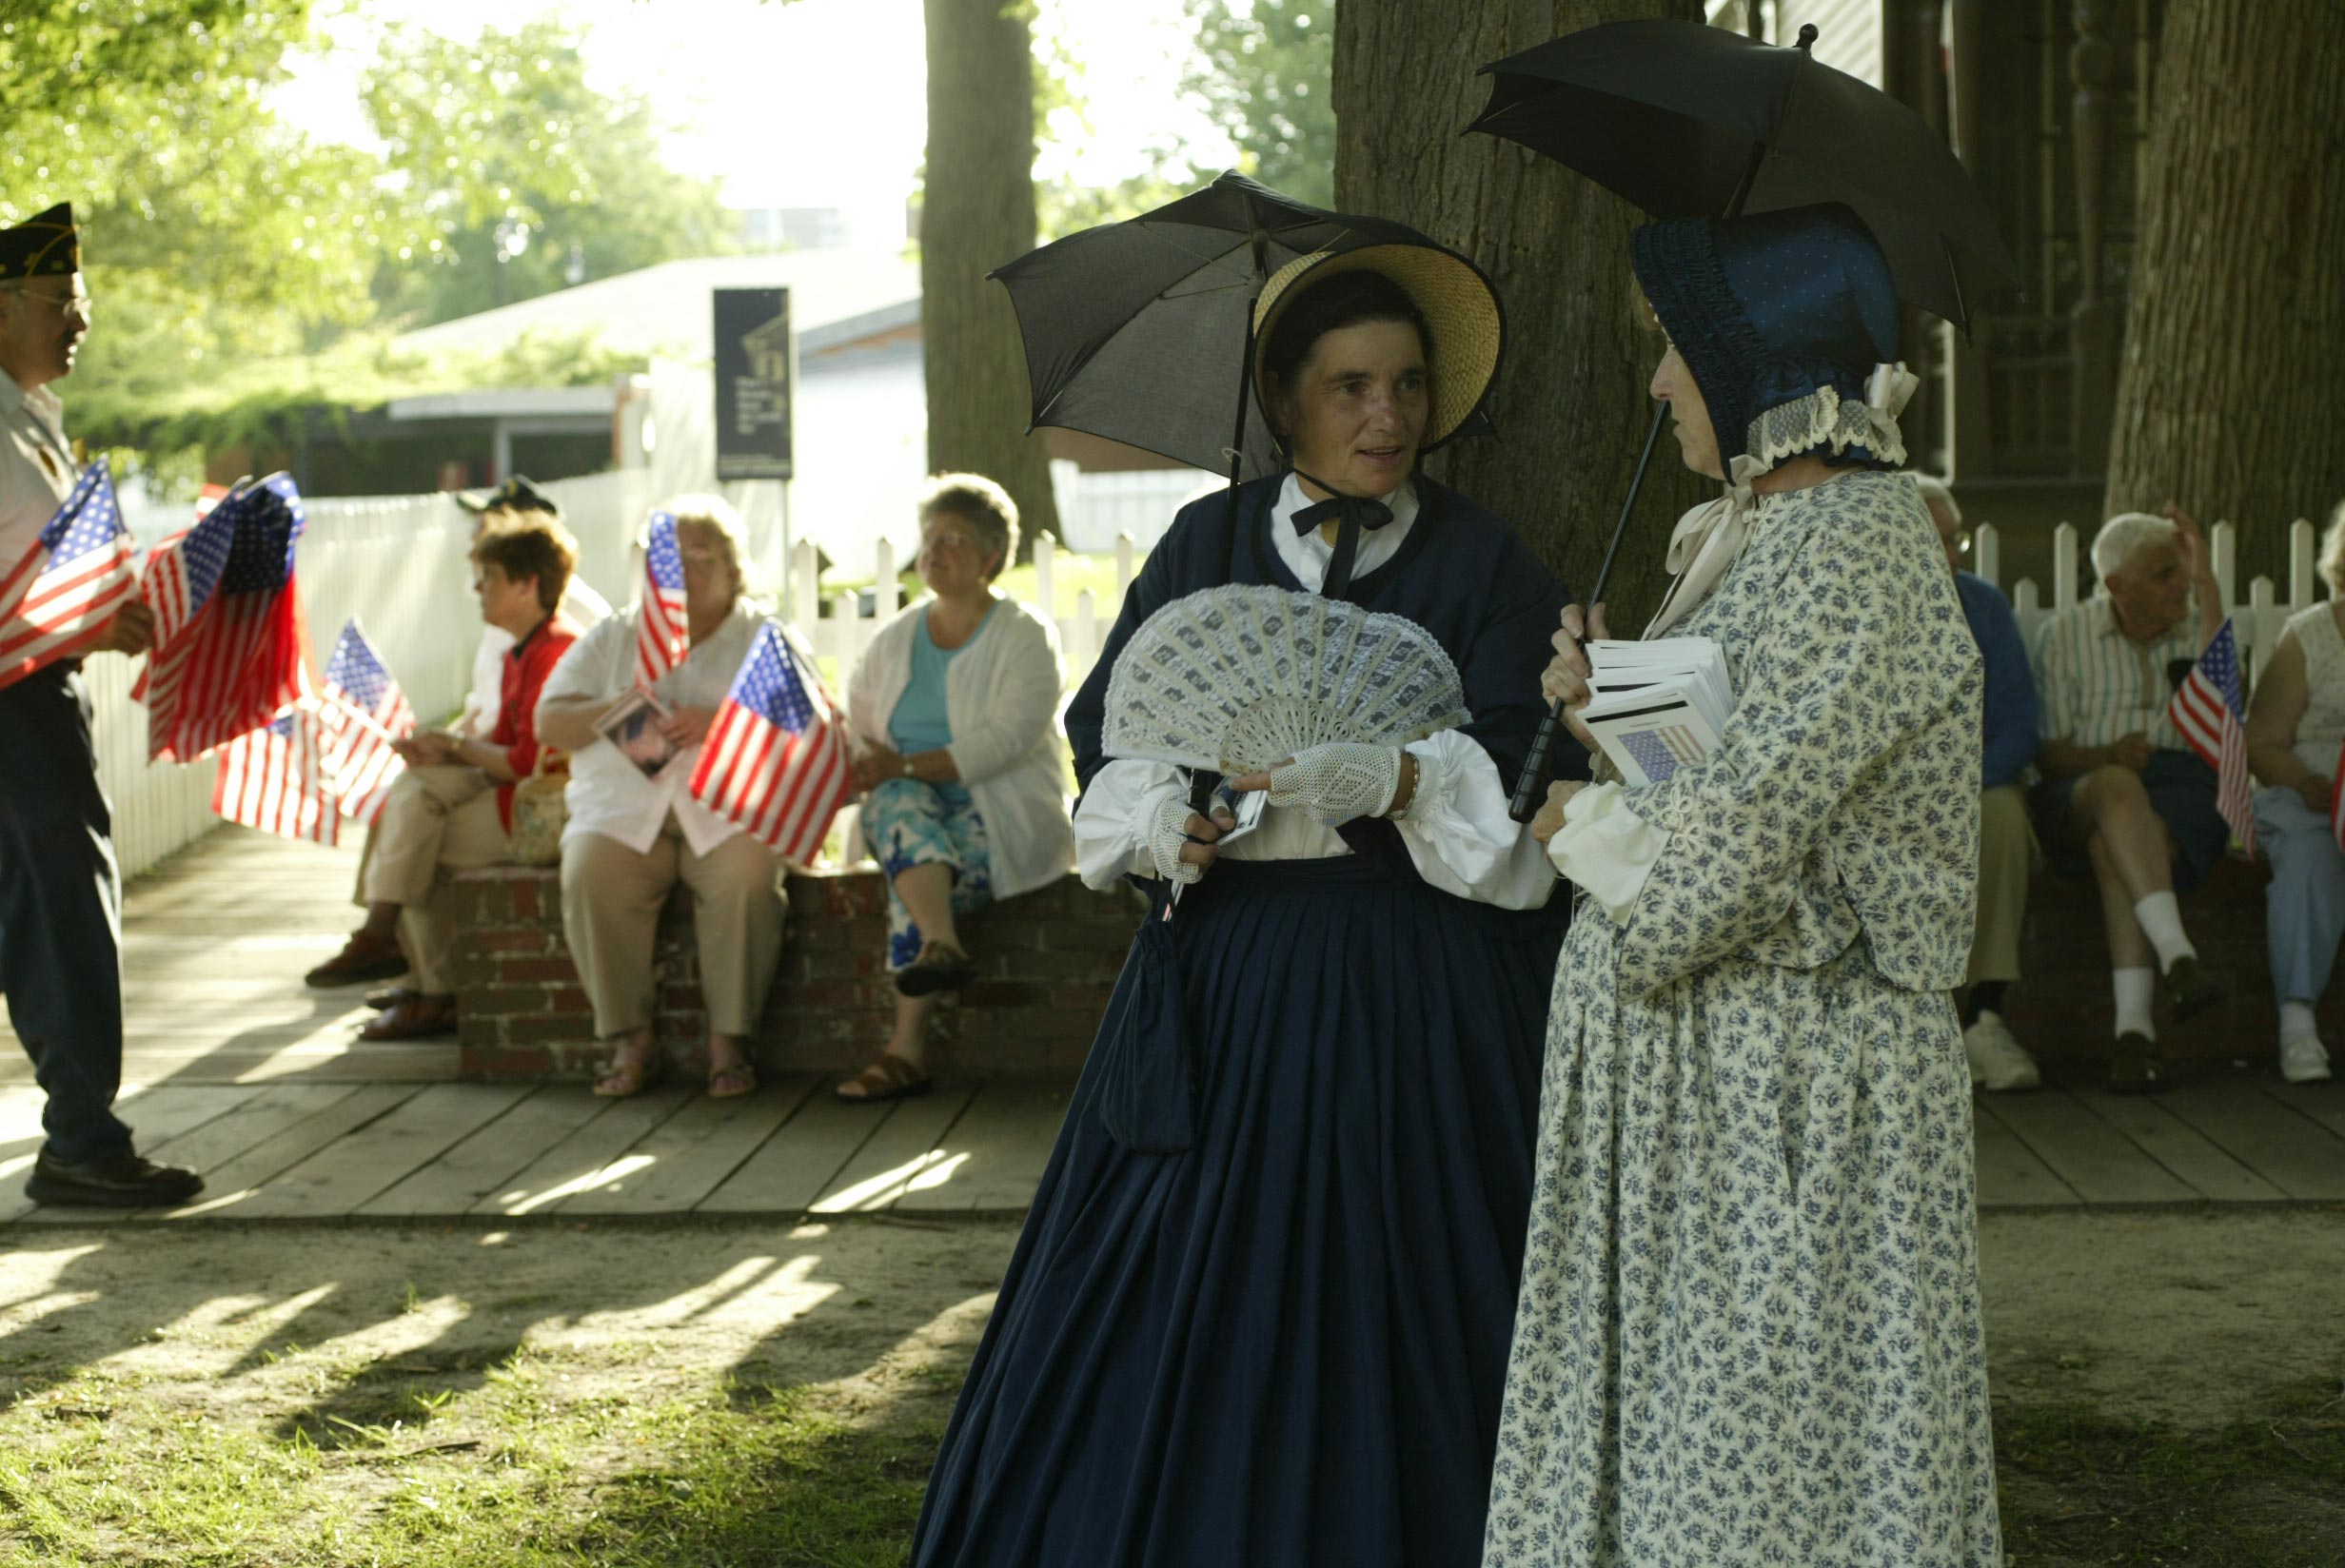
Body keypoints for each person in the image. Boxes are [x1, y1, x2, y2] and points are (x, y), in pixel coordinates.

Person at [912, 245, 1576, 1566]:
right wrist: (1171, 819)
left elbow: (1519, 787)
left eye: (1405, 386)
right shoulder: (1206, 542)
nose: (1388, 416)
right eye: (1351, 389)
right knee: (1184, 1283)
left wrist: (1391, 773)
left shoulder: (1487, 562)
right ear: (1286, 404)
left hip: (1418, 980)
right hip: (1231, 977)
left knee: (1419, 1282)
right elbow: (1113, 737)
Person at [1492, 205, 2000, 1566]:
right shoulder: (1757, 539)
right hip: (1713, 1083)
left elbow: (1728, 854)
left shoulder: (1860, 543)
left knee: (1771, 1454)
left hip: (1789, 1091)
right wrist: (1610, 715)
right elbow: (1735, 767)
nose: (1660, 383)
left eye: (1674, 350)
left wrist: (1578, 825)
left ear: (1756, 358)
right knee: (1701, 1441)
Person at [0, 203, 201, 1207]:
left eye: (81, 303)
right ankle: (81, 1139)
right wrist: (79, 627)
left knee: (48, 916)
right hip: (14, 707)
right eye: (59, 301)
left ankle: (80, 1131)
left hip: (37, 695)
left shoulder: (27, 418)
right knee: (63, 914)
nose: (78, 322)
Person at [307, 476, 611, 1003]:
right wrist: (440, 749)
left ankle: (428, 984)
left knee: (425, 841)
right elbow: (500, 737)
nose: (476, 588)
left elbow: (528, 762)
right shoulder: (525, 646)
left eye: (488, 576)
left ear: (526, 585)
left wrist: (453, 749)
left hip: (545, 810)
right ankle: (407, 966)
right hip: (517, 796)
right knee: (414, 793)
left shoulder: (555, 650)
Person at [533, 496, 786, 1099]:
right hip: (624, 811)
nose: (683, 569)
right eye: (667, 556)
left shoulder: (763, 636)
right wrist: (622, 711)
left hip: (726, 811)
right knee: (590, 872)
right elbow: (550, 720)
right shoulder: (615, 636)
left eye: (701, 555)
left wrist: (723, 721)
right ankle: (628, 1036)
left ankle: (730, 1041)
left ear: (733, 568)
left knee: (749, 879)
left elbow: (813, 728)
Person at [837, 473, 1076, 1102]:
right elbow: (857, 721)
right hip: (903, 803)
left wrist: (908, 767)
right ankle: (937, 948)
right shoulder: (894, 638)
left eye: (953, 539)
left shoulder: (1024, 634)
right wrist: (882, 768)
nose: (933, 552)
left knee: (914, 862)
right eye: (928, 539)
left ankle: (905, 1048)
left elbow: (1007, 739)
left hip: (995, 812)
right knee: (901, 815)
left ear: (991, 557)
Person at [2028, 506, 2230, 1092]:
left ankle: (2134, 1034)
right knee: (2117, 792)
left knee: (2116, 847)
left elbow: (2225, 714)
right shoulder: (2066, 635)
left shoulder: (2199, 627)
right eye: (2165, 573)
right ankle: (2178, 957)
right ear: (2117, 585)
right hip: (2085, 785)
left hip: (2180, 787)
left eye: (2183, 572)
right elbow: (2048, 755)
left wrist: (2210, 582)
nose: (2181, 585)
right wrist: (2107, 755)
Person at [1915, 473, 2044, 1090]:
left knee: (2002, 814)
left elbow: (2021, 726)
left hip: (1974, 785)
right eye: (1932, 541)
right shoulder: (1865, 609)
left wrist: (1960, 789)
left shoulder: (1984, 605)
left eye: (1954, 542)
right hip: (1890, 798)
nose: (1946, 556)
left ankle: (1985, 1016)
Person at [2239, 498, 2345, 1085]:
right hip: (2309, 795)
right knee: (2309, 859)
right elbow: (2264, 741)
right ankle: (2298, 1025)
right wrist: (2308, 784)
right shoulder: (2310, 636)